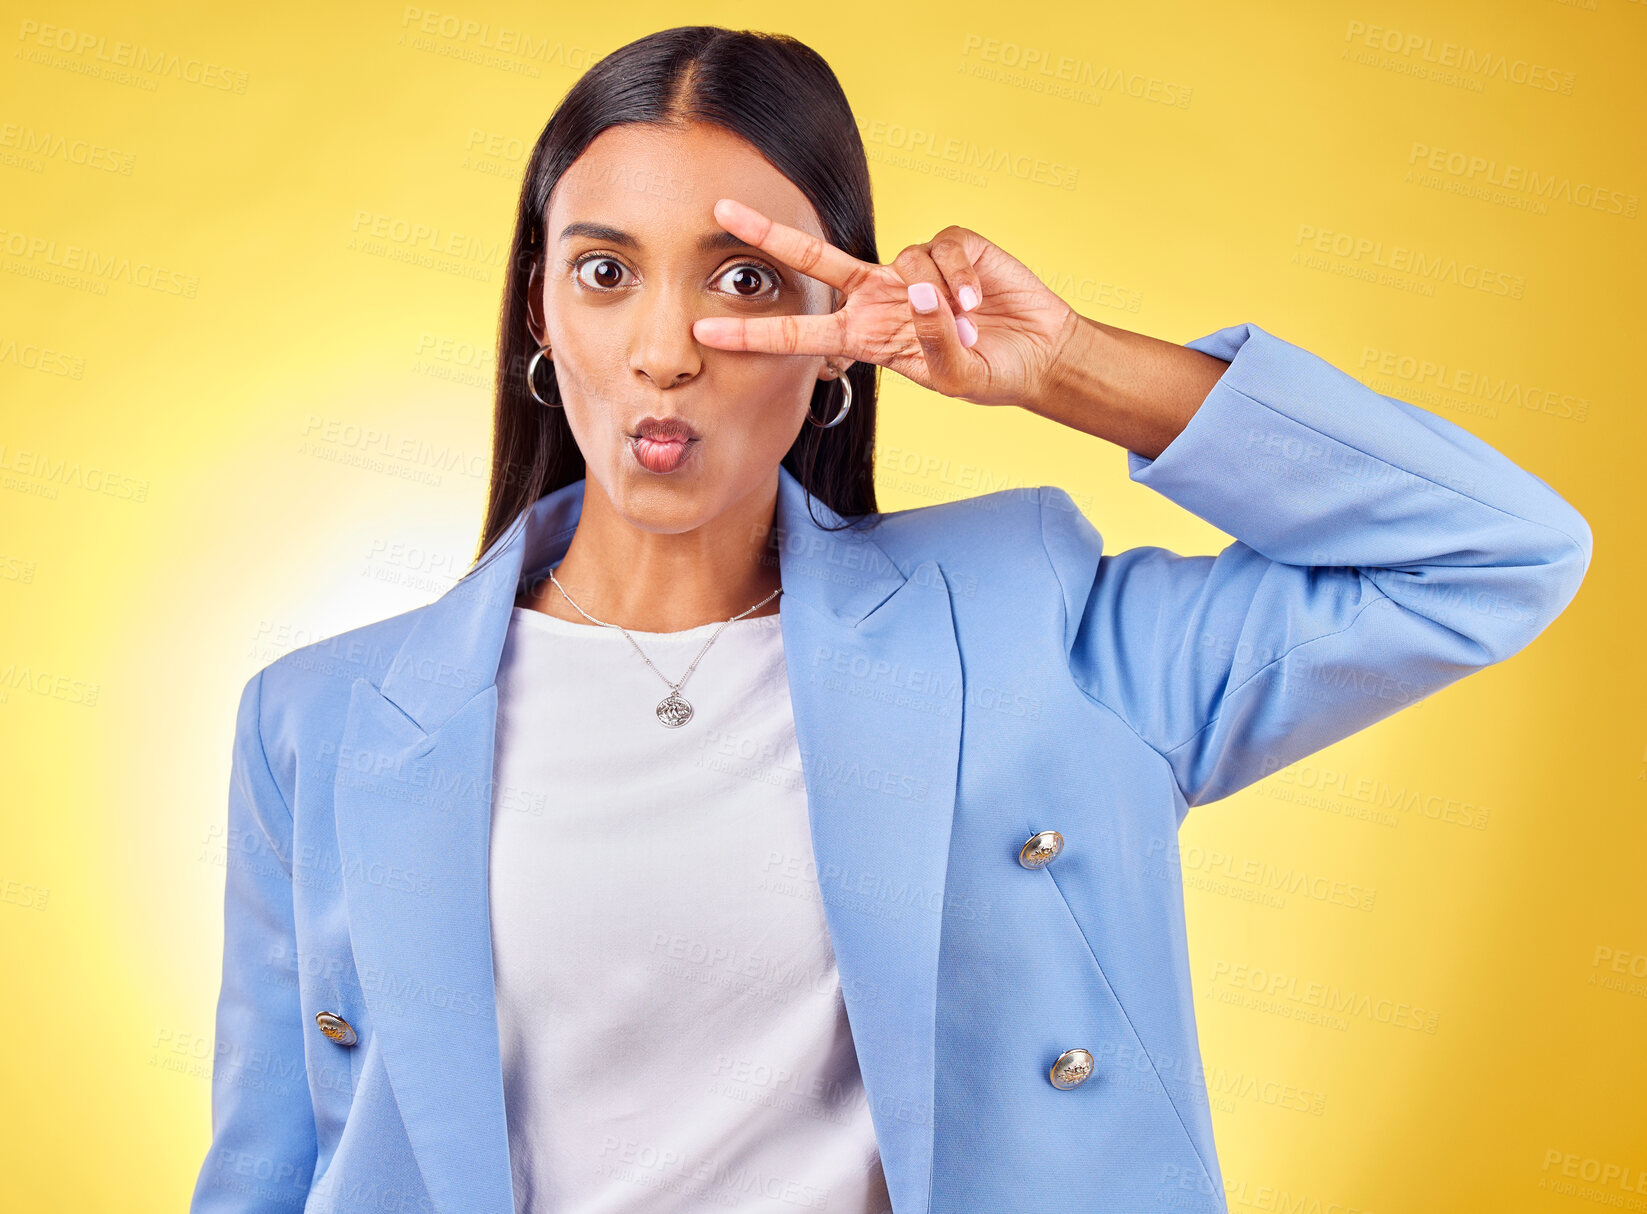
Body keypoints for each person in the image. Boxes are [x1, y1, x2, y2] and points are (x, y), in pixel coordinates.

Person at [190, 25, 1592, 1214]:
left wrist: (1067, 368)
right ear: (541, 321)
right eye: (605, 270)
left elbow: (1490, 556)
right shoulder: (324, 722)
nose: (666, 348)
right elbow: (268, 1169)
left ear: (845, 333)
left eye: (746, 281)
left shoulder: (1023, 627)